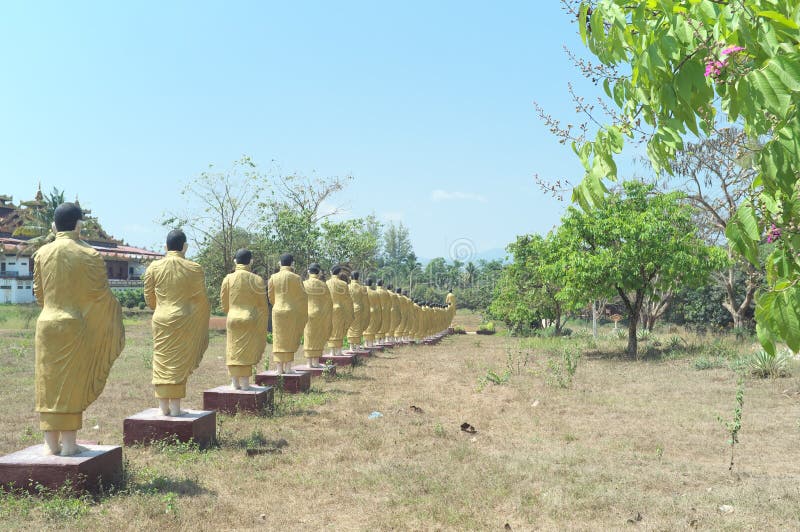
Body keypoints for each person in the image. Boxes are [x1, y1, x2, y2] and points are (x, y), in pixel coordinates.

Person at [33, 202, 125, 455]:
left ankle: (50, 444)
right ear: (80, 227)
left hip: (46, 323)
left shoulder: (41, 253)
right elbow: (100, 295)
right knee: (71, 384)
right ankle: (70, 444)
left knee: (48, 384)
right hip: (73, 324)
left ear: (53, 226)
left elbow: (39, 294)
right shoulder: (90, 254)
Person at [144, 229, 210, 416]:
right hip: (183, 319)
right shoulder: (194, 268)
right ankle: (175, 408)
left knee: (162, 360)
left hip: (161, 318)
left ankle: (163, 407)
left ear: (165, 247)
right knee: (178, 363)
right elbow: (201, 300)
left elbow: (149, 298)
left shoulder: (153, 268)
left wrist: (162, 307)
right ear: (185, 247)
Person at [220, 249, 268, 390]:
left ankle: (235, 382)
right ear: (251, 262)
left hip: (233, 317)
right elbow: (262, 306)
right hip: (250, 318)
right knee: (247, 350)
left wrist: (231, 312)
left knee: (233, 350)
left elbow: (224, 302)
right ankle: (246, 383)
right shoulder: (257, 280)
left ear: (235, 261)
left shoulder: (228, 278)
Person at [268, 254, 308, 373]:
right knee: (289, 338)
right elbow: (302, 296)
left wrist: (277, 304)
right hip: (291, 310)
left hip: (277, 310)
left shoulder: (273, 277)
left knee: (278, 338)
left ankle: (279, 368)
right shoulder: (296, 278)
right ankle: (288, 368)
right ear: (292, 264)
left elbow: (270, 295)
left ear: (279, 263)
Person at [303, 263, 332, 367]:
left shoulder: (303, 284)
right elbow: (328, 302)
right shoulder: (323, 285)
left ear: (308, 272)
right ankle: (316, 362)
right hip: (319, 313)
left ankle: (309, 363)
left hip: (307, 313)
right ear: (319, 272)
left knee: (308, 336)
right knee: (318, 337)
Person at [326, 265, 354, 356]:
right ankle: (338, 350)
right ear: (339, 273)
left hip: (329, 309)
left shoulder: (327, 283)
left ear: (331, 272)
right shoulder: (343, 284)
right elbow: (348, 299)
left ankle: (332, 351)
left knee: (331, 329)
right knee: (339, 329)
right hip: (340, 309)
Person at [347, 271, 366, 350]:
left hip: (350, 309)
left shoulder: (347, 287)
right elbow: (365, 300)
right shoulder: (362, 288)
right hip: (359, 308)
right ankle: (358, 346)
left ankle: (351, 347)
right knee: (358, 327)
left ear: (350, 277)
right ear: (358, 277)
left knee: (350, 327)